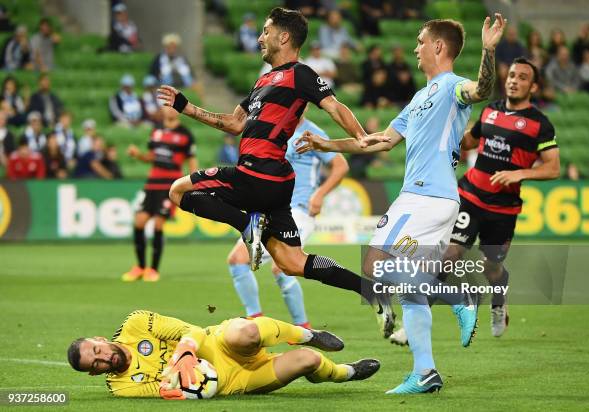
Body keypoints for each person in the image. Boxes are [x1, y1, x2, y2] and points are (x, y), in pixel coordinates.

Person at [296, 14, 507, 394]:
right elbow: (379, 140)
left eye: (421, 41)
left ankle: (457, 296)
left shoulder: (451, 87)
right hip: (428, 200)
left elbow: (482, 90)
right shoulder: (419, 97)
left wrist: (489, 49)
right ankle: (425, 372)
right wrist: (325, 144)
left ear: (438, 47)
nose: (415, 48)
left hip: (426, 197)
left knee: (375, 266)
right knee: (408, 282)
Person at [157, 7, 394, 336]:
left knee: (177, 191)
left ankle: (247, 225)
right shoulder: (262, 81)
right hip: (278, 183)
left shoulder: (301, 74)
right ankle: (369, 290)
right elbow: (233, 123)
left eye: (265, 32)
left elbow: (334, 106)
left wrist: (360, 136)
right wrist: (186, 107)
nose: (259, 38)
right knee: (292, 263)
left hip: (255, 173)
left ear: (284, 37)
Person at [436, 57, 558, 340]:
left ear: (534, 86)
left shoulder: (540, 125)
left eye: (523, 77)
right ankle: (417, 318)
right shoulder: (491, 110)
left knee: (493, 268)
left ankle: (498, 303)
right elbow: (470, 140)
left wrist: (520, 174)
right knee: (450, 256)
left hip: (503, 209)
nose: (514, 80)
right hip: (471, 195)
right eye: (512, 75)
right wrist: (446, 134)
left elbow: (553, 168)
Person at [67, 310, 380, 398]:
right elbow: (167, 389)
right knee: (309, 361)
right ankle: (345, 373)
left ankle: (309, 334)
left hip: (217, 342)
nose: (103, 357)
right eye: (95, 363)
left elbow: (190, 331)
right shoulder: (121, 387)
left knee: (246, 331)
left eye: (98, 350)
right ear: (95, 372)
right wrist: (181, 388)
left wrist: (186, 354)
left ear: (99, 339)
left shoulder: (136, 324)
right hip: (232, 381)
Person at [226, 113, 349, 327]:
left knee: (282, 265)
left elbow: (341, 165)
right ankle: (255, 321)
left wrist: (319, 194)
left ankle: (302, 327)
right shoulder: (271, 130)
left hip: (299, 209)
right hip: (270, 208)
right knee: (237, 260)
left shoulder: (312, 133)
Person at [122, 106, 198, 282]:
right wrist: (138, 155)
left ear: (178, 111)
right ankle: (140, 267)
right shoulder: (156, 131)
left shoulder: (186, 134)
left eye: (173, 107)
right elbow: (151, 157)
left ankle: (153, 269)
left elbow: (191, 160)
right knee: (139, 222)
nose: (170, 110)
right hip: (153, 183)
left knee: (158, 224)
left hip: (170, 185)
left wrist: (194, 182)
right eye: (167, 107)